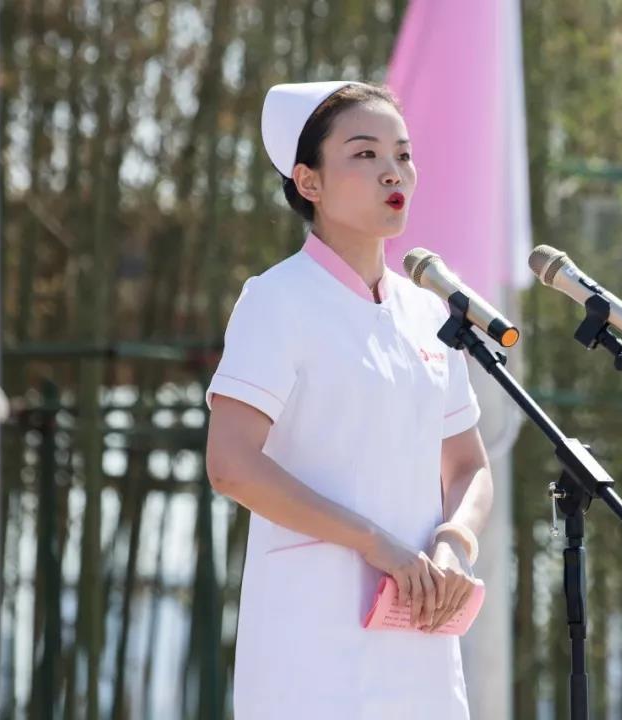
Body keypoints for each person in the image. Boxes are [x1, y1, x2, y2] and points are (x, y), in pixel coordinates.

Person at [204, 80, 494, 719]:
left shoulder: (429, 313)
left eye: (403, 154)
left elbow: (468, 465)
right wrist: (373, 542)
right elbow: (230, 464)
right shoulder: (277, 300)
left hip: (419, 636)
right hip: (312, 640)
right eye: (365, 154)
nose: (394, 171)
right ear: (308, 181)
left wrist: (455, 543)